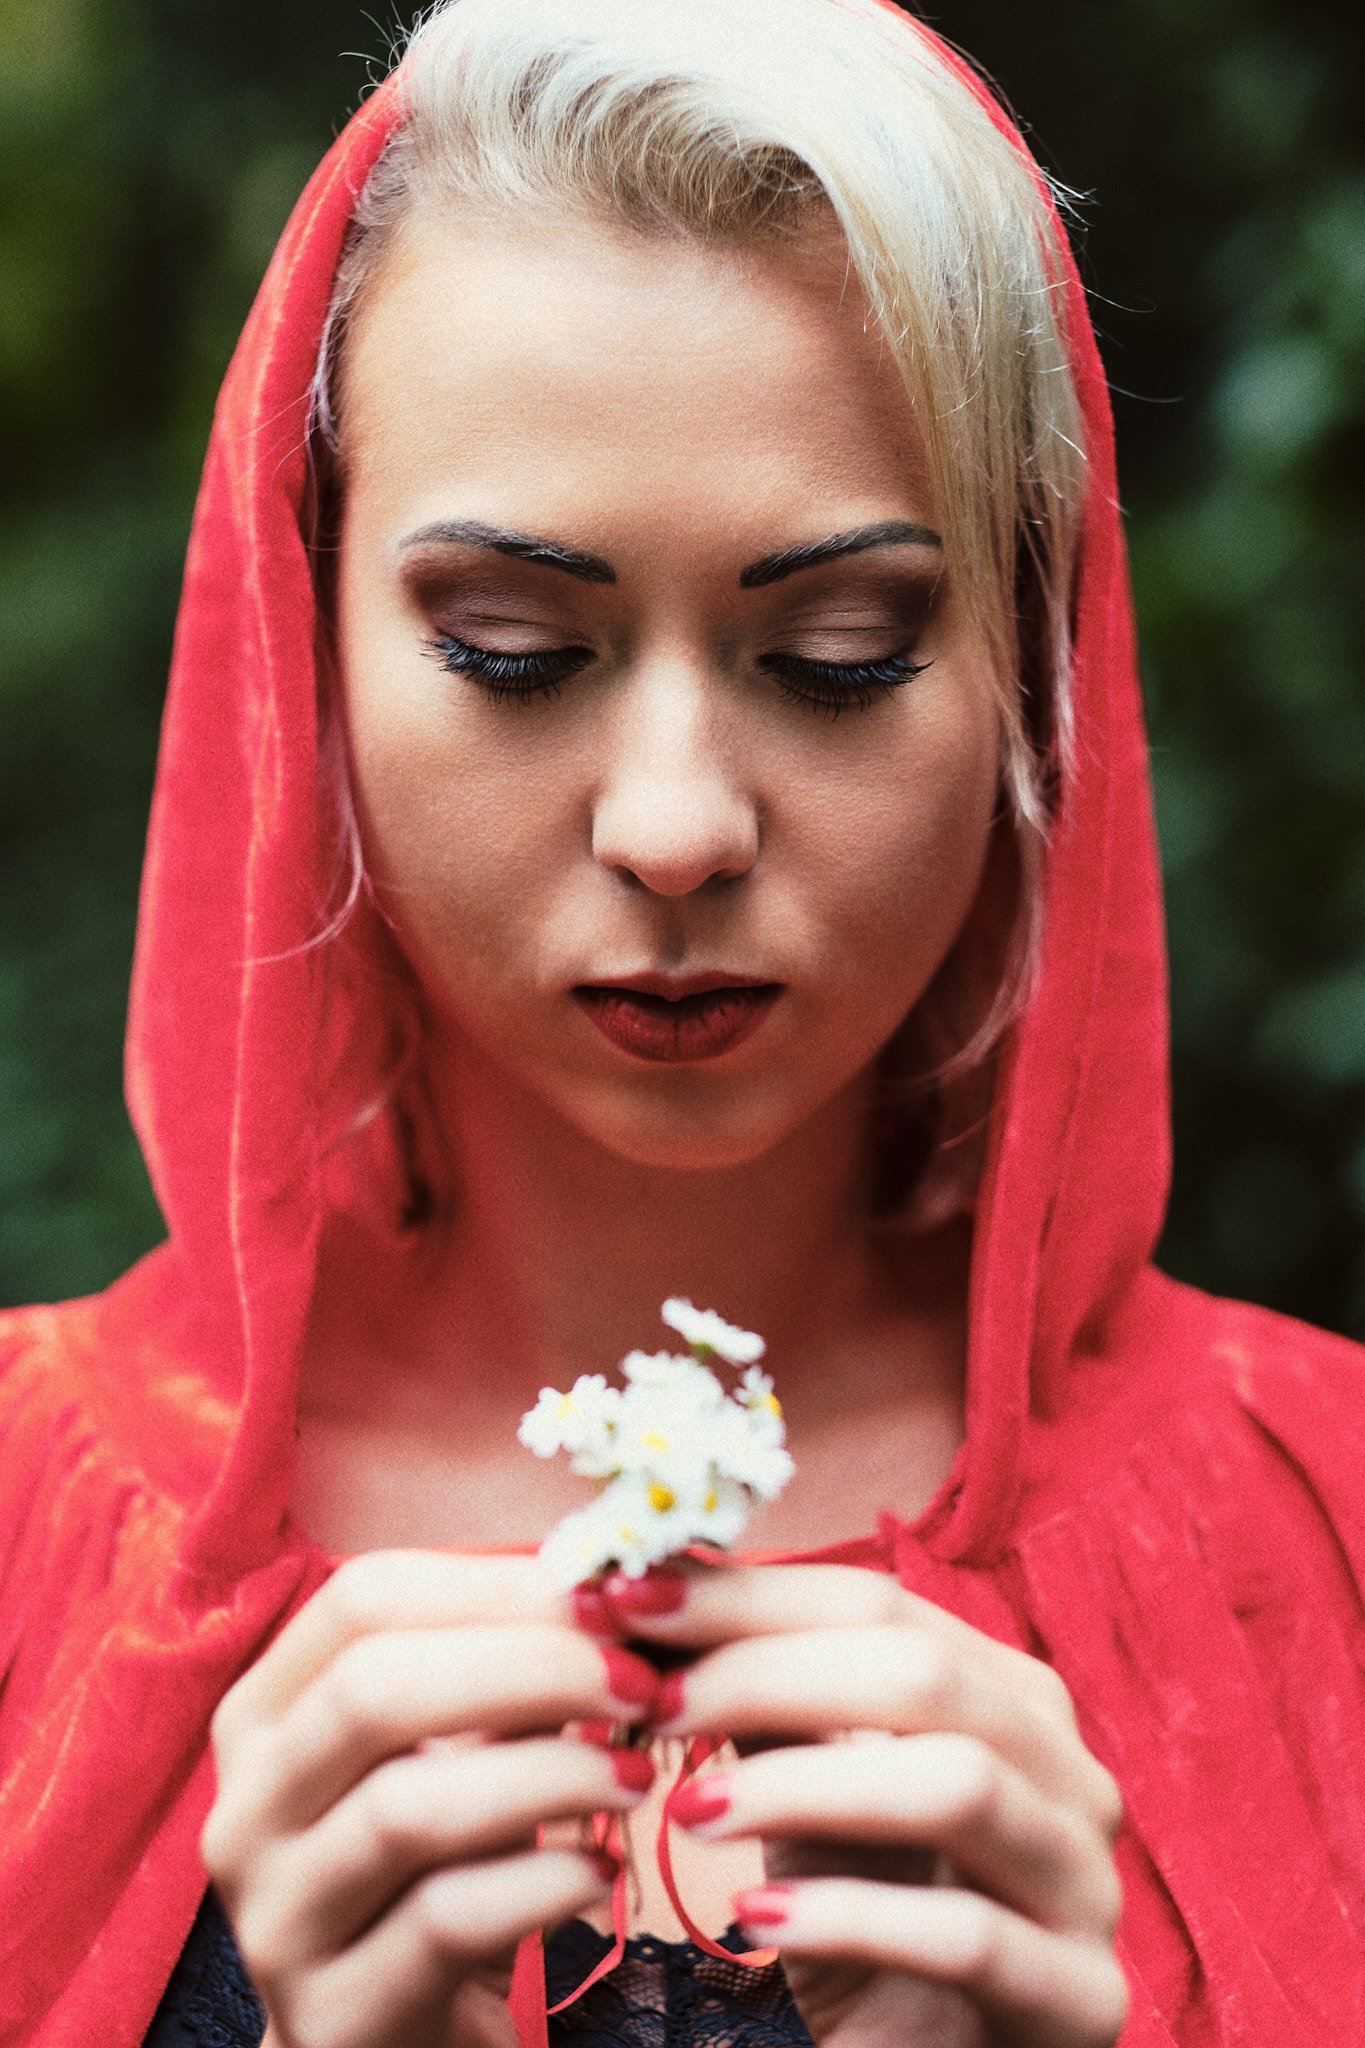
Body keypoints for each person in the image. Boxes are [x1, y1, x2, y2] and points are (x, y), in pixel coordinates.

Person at [1, 0, 1361, 2043]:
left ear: (1032, 655)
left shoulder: (1323, 1535)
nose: (673, 827)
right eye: (510, 646)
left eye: (838, 650)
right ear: (305, 639)